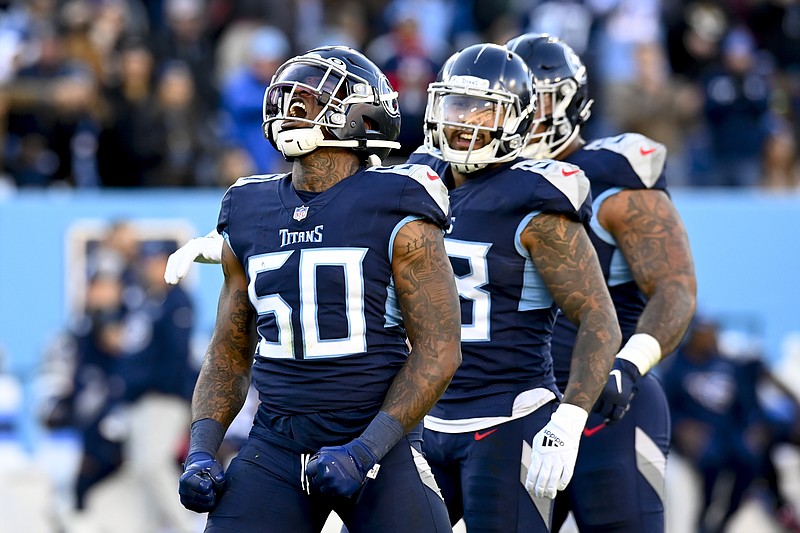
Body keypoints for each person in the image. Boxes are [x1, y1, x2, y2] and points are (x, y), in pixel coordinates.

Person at [176, 45, 462, 532]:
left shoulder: (396, 202)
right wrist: (201, 450)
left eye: (306, 100)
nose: (289, 110)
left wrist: (366, 449)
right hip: (277, 441)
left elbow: (439, 350)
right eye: (285, 97)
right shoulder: (249, 206)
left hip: (376, 441)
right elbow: (228, 350)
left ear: (359, 114)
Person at [405, 43, 620, 531]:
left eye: (483, 108)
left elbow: (598, 317)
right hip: (422, 416)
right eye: (455, 104)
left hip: (507, 417)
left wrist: (567, 421)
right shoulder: (415, 182)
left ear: (517, 121)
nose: (464, 121)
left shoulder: (535, 202)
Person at [507, 33, 698, 532]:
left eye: (539, 98)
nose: (527, 112)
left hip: (607, 406)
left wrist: (628, 368)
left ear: (572, 102)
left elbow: (675, 287)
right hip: (512, 410)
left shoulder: (612, 180)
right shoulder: (476, 188)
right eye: (516, 99)